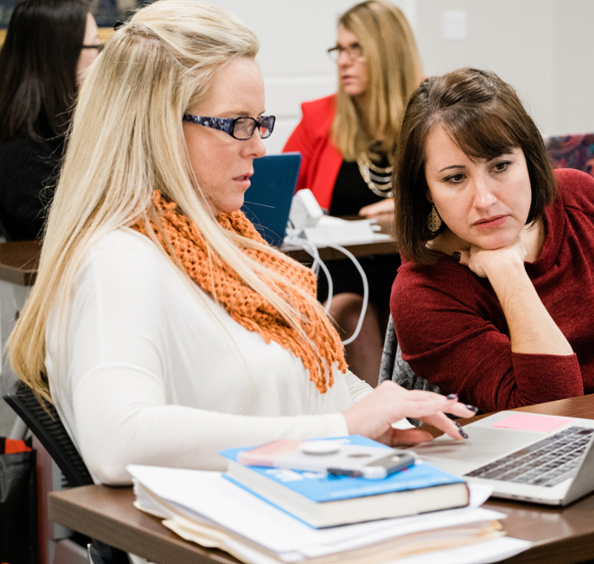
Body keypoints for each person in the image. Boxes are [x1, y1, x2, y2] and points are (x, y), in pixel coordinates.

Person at [6, 0, 472, 487]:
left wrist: (389, 421)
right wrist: (341, 430)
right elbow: (118, 442)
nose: (258, 146)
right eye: (237, 124)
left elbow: (315, 383)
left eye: (260, 122)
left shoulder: (222, 239)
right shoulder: (117, 259)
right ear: (157, 126)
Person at [390, 68, 594, 414]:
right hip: (550, 450)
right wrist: (508, 271)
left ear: (529, 159)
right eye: (455, 178)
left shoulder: (579, 195)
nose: (485, 200)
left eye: (500, 166)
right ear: (426, 190)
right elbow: (550, 408)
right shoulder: (422, 292)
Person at [283, 0, 423, 386]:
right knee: (348, 308)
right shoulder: (319, 119)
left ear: (387, 53)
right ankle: (384, 422)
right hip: (339, 267)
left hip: (409, 265)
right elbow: (274, 203)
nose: (343, 61)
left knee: (409, 302)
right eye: (339, 50)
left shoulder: (431, 118)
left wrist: (410, 205)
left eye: (356, 49)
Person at [0, 0, 101, 241]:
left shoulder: (62, 124)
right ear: (60, 55)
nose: (101, 59)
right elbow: (73, 232)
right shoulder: (22, 151)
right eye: (95, 46)